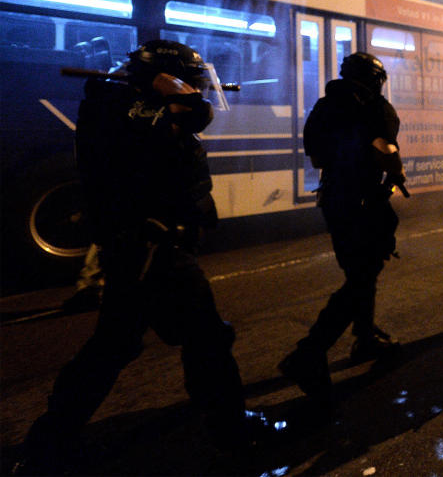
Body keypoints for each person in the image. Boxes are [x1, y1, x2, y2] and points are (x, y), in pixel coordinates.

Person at [16, 40, 279, 474]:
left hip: (147, 247)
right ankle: (230, 429)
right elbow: (194, 115)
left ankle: (49, 442)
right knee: (206, 340)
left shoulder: (128, 105)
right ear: (163, 76)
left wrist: (173, 92)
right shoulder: (121, 107)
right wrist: (175, 93)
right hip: (152, 247)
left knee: (116, 345)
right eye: (188, 79)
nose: (198, 88)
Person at [278, 52, 405, 401]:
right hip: (366, 199)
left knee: (357, 271)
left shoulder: (322, 107)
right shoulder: (376, 107)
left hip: (333, 197)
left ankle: (365, 338)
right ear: (376, 79)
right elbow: (385, 149)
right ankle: (310, 350)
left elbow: (317, 156)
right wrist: (397, 173)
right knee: (364, 275)